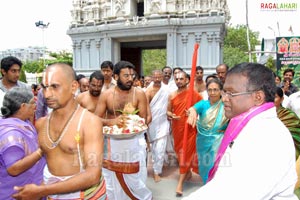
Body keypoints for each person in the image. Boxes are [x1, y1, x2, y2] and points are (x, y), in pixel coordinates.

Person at [184, 62, 298, 200]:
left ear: (258, 97)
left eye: (231, 93)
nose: (224, 98)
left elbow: (231, 193)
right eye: (224, 91)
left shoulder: (268, 136)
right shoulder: (251, 125)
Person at [13, 63, 107, 200]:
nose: (47, 94)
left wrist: (41, 190)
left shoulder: (90, 122)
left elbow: (93, 175)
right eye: (45, 87)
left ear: (73, 87)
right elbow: (46, 163)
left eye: (55, 86)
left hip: (85, 196)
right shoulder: (41, 124)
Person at [95, 60, 152, 200]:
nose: (130, 79)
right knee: (111, 182)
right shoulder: (106, 95)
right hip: (112, 145)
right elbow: (95, 119)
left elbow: (143, 120)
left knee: (136, 180)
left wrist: (132, 122)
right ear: (115, 77)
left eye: (132, 75)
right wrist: (112, 122)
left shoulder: (139, 94)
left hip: (134, 144)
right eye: (126, 75)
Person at [0, 87, 45, 200]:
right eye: (32, 103)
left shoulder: (24, 122)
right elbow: (14, 169)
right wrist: (41, 151)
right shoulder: (11, 134)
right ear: (23, 106)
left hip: (31, 189)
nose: (35, 105)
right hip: (16, 193)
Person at [167, 71, 203, 197]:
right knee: (180, 153)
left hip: (190, 129)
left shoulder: (194, 95)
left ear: (187, 80)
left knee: (186, 154)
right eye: (176, 79)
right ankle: (187, 172)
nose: (179, 81)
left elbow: (202, 109)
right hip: (177, 128)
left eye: (181, 79)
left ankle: (180, 184)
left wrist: (193, 112)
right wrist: (172, 115)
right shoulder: (171, 95)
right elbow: (168, 112)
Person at [187, 78, 228, 184]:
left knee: (217, 166)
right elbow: (193, 108)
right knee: (205, 166)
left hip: (220, 140)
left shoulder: (226, 104)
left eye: (215, 90)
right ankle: (207, 185)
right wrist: (192, 112)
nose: (212, 93)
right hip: (203, 141)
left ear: (221, 91)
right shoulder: (203, 104)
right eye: (210, 90)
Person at [145, 70, 170, 182]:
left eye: (159, 76)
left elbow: (170, 103)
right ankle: (158, 165)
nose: (157, 79)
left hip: (164, 122)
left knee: (160, 148)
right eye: (155, 77)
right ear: (152, 77)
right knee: (155, 148)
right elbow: (145, 107)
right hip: (152, 123)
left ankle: (156, 171)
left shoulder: (166, 89)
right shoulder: (148, 91)